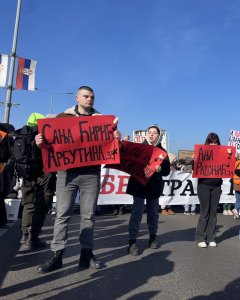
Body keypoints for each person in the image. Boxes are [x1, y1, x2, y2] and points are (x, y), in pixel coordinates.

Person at [36, 86, 120, 273]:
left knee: (88, 216)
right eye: (86, 96)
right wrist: (40, 142)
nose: (89, 99)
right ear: (77, 98)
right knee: (62, 214)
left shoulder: (102, 121)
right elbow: (50, 144)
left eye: (92, 97)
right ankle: (57, 254)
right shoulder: (62, 119)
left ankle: (86, 253)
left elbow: (111, 146)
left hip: (91, 173)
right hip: (67, 173)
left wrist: (116, 137)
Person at [126, 125, 170, 256]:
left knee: (153, 213)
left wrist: (160, 169)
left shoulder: (163, 152)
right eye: (149, 132)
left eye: (154, 133)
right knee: (137, 212)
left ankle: (152, 237)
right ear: (146, 135)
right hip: (139, 185)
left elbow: (167, 171)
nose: (151, 135)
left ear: (158, 136)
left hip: (153, 186)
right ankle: (132, 241)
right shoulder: (139, 148)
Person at [18, 113, 57, 249]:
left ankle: (24, 235)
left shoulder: (22, 135)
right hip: (44, 173)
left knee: (28, 204)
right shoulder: (44, 134)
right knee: (42, 206)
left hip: (26, 173)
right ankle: (33, 237)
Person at [195, 133, 226, 248]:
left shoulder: (221, 154)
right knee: (205, 212)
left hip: (216, 186)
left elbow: (228, 167)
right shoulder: (202, 154)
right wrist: (195, 160)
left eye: (215, 141)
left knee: (213, 212)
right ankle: (200, 237)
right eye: (211, 142)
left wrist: (230, 157)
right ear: (207, 143)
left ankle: (211, 237)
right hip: (204, 186)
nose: (213, 144)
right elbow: (196, 169)